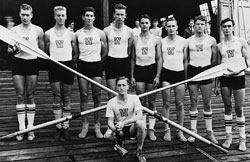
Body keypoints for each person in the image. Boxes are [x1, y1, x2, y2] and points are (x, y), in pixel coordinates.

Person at [7, 3, 45, 141]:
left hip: (32, 63)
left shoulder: (38, 30)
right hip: (18, 63)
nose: (25, 17)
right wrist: (14, 50)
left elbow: (42, 51)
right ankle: (21, 128)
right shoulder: (14, 30)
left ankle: (31, 128)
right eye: (22, 14)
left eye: (27, 15)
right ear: (19, 14)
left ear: (31, 15)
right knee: (19, 95)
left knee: (30, 95)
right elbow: (9, 50)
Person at [216, 18, 250, 151]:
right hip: (225, 78)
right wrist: (215, 85)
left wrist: (238, 69)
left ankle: (242, 139)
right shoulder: (220, 46)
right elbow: (218, 66)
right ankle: (229, 137)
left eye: (229, 26)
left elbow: (248, 61)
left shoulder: (241, 42)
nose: (227, 29)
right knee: (227, 107)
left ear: (233, 27)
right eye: (224, 26)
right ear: (221, 28)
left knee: (239, 109)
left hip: (238, 77)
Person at [44, 6, 78, 141]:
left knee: (67, 96)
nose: (60, 18)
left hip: (68, 65)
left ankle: (66, 126)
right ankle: (58, 127)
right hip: (54, 66)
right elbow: (46, 52)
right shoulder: (48, 33)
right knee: (57, 96)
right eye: (58, 15)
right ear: (54, 16)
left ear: (66, 16)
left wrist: (68, 63)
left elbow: (76, 53)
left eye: (62, 15)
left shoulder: (71, 34)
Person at [76, 6, 107, 139]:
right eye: (87, 15)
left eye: (91, 16)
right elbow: (75, 52)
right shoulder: (78, 33)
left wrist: (99, 62)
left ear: (94, 18)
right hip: (83, 65)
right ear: (83, 17)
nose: (89, 18)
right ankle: (84, 125)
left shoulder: (100, 33)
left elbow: (105, 51)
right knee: (83, 96)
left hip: (96, 65)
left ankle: (97, 126)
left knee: (97, 96)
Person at [131, 14, 162, 141]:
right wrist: (132, 75)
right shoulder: (135, 39)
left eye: (146, 23)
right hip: (139, 69)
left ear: (150, 24)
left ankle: (151, 130)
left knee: (152, 102)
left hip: (151, 69)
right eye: (142, 22)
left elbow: (159, 59)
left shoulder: (156, 39)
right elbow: (132, 59)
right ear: (139, 24)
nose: (144, 25)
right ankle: (142, 129)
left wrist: (158, 76)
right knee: (141, 102)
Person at [187, 15, 218, 144]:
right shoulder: (188, 40)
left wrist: (209, 70)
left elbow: (215, 59)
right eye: (197, 24)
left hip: (206, 71)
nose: (199, 26)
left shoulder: (211, 40)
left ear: (206, 25)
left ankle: (209, 132)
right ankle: (193, 131)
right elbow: (186, 59)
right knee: (193, 101)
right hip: (193, 71)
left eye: (202, 24)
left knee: (207, 102)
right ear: (194, 26)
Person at [106, 76, 147, 162]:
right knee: (107, 134)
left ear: (128, 86)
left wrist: (124, 123)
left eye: (124, 85)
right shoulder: (111, 102)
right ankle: (118, 145)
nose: (121, 88)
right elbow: (109, 121)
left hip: (131, 127)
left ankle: (139, 151)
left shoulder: (134, 98)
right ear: (116, 87)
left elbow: (140, 115)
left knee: (141, 123)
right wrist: (115, 129)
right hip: (119, 127)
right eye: (119, 85)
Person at [161, 17, 188, 142]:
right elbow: (159, 59)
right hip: (166, 73)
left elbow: (186, 60)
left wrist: (186, 78)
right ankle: (167, 130)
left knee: (179, 104)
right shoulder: (162, 42)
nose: (171, 28)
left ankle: (180, 131)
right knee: (166, 103)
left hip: (179, 73)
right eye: (169, 26)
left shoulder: (183, 41)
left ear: (177, 27)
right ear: (165, 27)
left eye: (173, 26)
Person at [103, 3, 133, 99]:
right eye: (118, 14)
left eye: (122, 15)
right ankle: (112, 114)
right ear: (114, 15)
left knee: (124, 93)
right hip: (111, 61)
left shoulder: (129, 31)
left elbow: (129, 50)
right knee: (111, 93)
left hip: (124, 61)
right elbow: (105, 49)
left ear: (125, 16)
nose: (120, 17)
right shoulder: (107, 30)